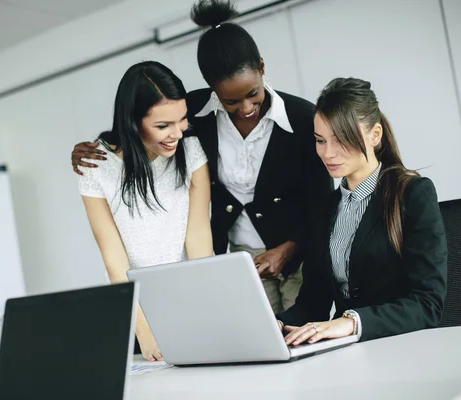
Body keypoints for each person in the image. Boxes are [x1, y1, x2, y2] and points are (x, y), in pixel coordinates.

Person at [71, 0, 333, 315]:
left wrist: (289, 249)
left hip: (300, 251)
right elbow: (143, 128)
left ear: (262, 69)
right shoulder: (193, 114)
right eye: (231, 100)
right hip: (239, 256)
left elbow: (322, 203)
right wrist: (96, 146)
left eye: (253, 93)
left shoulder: (303, 119)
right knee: (260, 335)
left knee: (299, 333)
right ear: (212, 89)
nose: (246, 108)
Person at [277, 77, 447, 344]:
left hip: (406, 346)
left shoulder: (413, 194)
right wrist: (277, 324)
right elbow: (313, 303)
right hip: (350, 352)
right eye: (320, 140)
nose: (327, 153)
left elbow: (428, 304)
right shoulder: (324, 209)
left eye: (341, 140)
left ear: (375, 135)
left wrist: (351, 322)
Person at [78, 61, 213, 361]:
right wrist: (145, 333)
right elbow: (114, 260)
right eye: (162, 126)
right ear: (132, 121)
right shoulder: (96, 167)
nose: (176, 133)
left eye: (182, 120)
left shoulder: (190, 153)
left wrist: (207, 310)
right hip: (136, 312)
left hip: (191, 301)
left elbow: (200, 239)